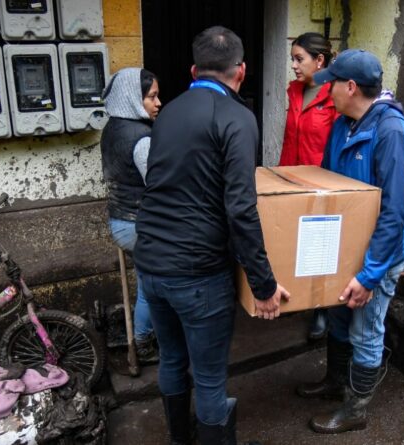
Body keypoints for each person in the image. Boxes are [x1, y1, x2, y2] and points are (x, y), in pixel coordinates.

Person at [134, 26, 290, 445]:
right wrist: (264, 283)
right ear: (241, 71)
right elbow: (240, 207)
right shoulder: (237, 117)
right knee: (208, 379)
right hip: (197, 272)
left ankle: (179, 439)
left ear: (193, 70)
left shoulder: (168, 112)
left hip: (150, 262)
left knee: (171, 360)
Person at [296, 49, 404, 434]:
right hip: (345, 249)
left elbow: (394, 214)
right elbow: (331, 188)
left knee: (366, 330)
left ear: (350, 87)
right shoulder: (344, 124)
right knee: (338, 317)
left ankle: (356, 408)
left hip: (377, 256)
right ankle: (335, 381)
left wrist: (369, 276)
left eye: (331, 83)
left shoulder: (392, 133)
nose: (325, 89)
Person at [278, 31, 338, 340]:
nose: (294, 65)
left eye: (299, 59)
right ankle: (298, 298)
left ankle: (321, 308)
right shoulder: (295, 92)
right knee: (293, 244)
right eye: (292, 59)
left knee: (321, 249)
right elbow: (291, 138)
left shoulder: (336, 96)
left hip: (322, 184)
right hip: (291, 179)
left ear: (320, 60)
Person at [100, 67, 161, 363]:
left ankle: (149, 335)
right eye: (151, 97)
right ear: (134, 99)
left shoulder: (112, 128)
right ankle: (144, 342)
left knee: (147, 284)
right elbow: (159, 188)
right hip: (138, 225)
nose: (158, 103)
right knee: (152, 288)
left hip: (120, 221)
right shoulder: (142, 139)